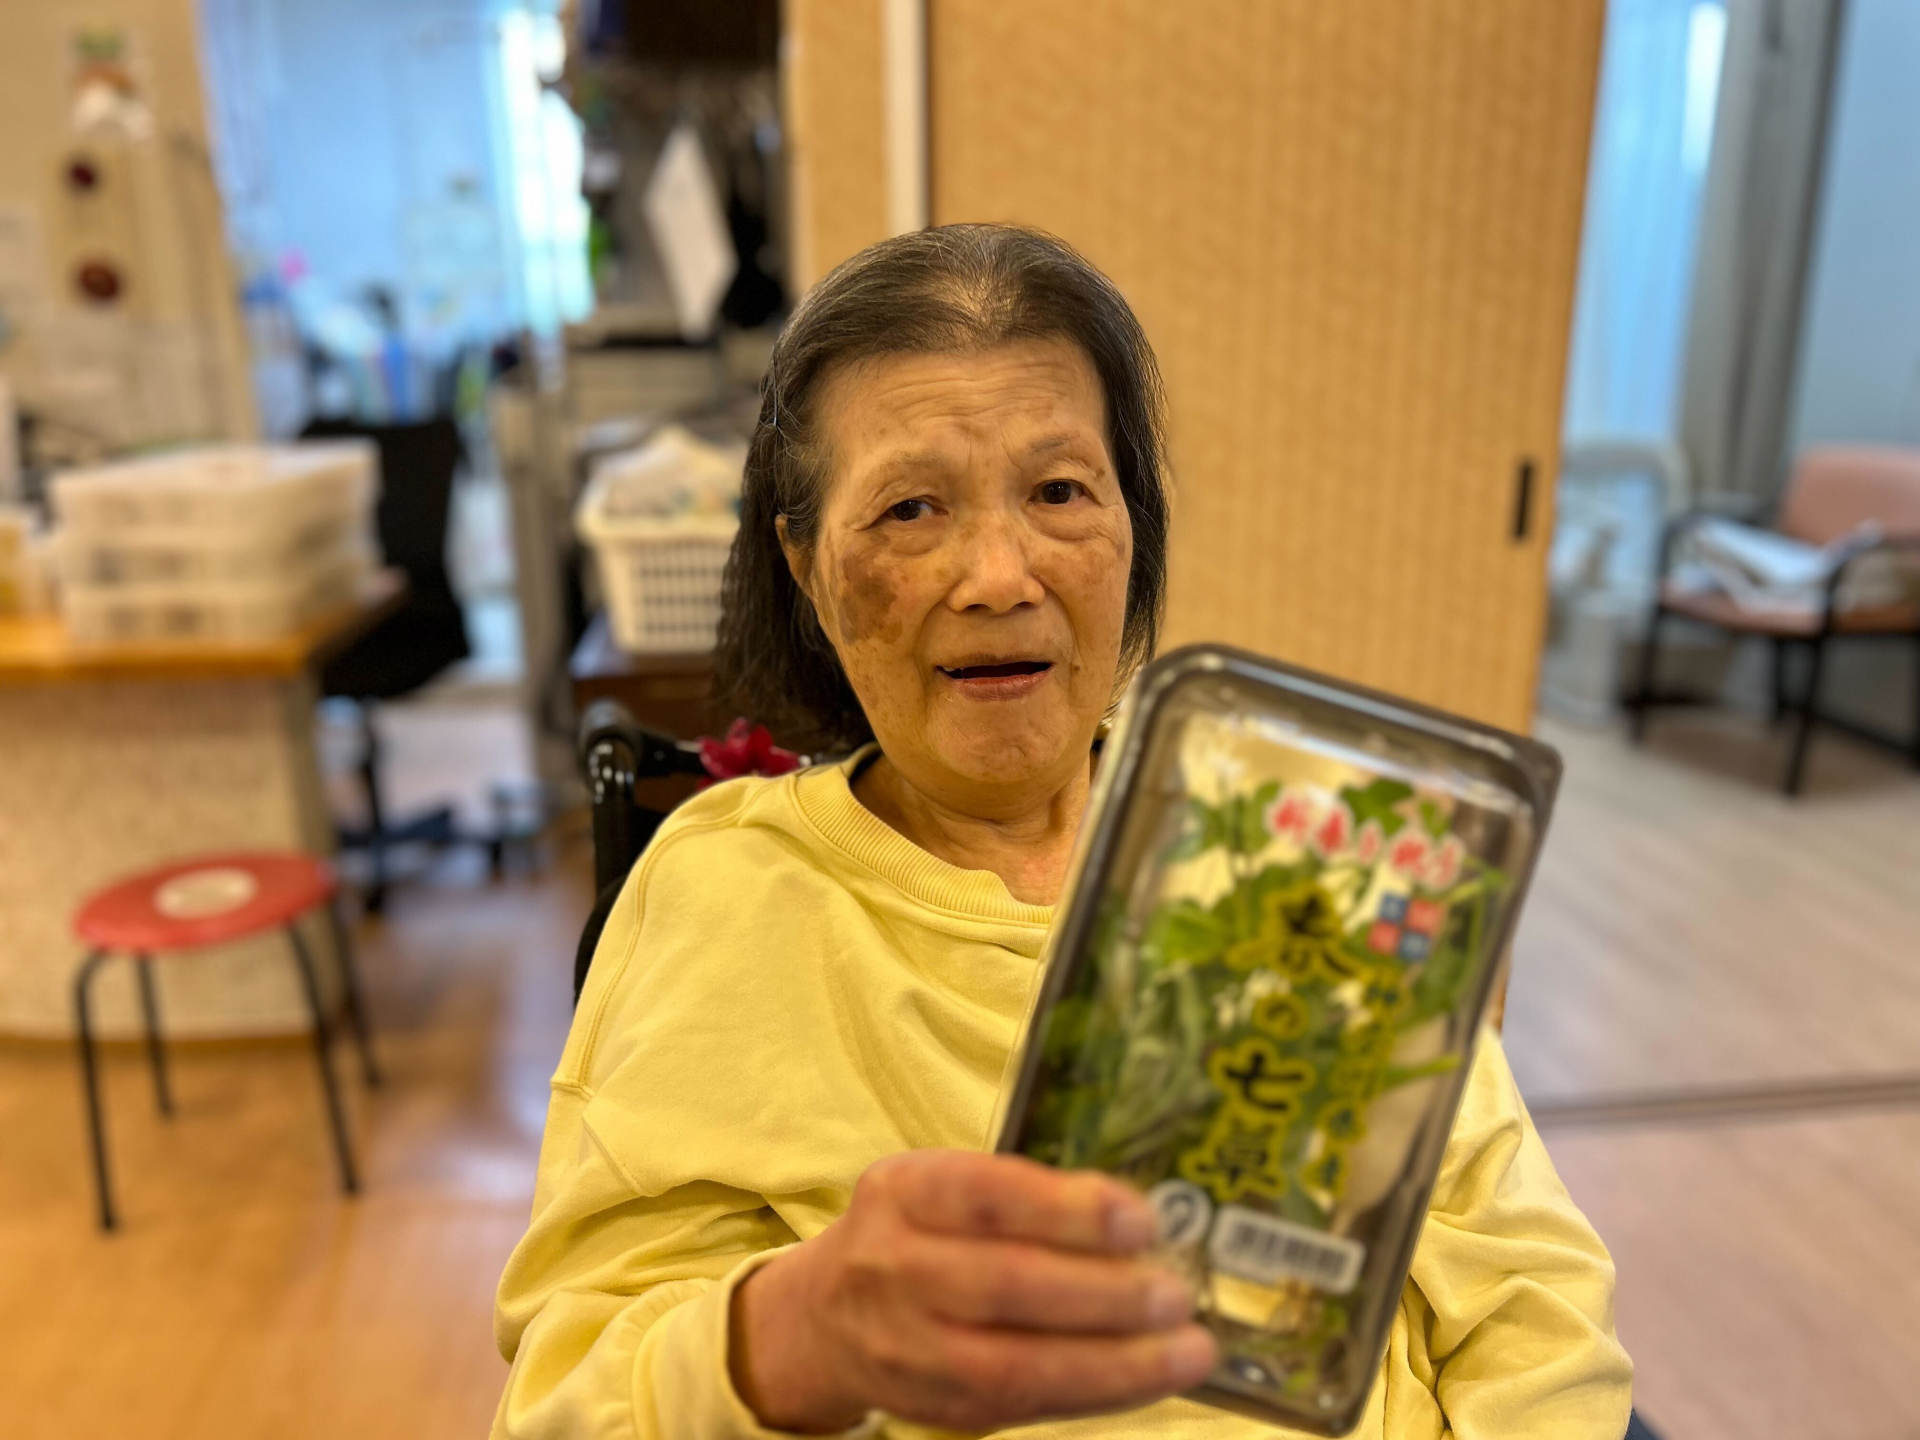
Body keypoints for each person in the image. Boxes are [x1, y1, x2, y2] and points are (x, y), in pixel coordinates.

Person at [492, 224, 1632, 1438]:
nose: (999, 574)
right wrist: (794, 1337)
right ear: (808, 566)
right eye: (910, 508)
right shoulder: (725, 894)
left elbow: (1529, 1290)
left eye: (1059, 492)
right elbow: (566, 1405)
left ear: (1132, 527)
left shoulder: (1293, 842)